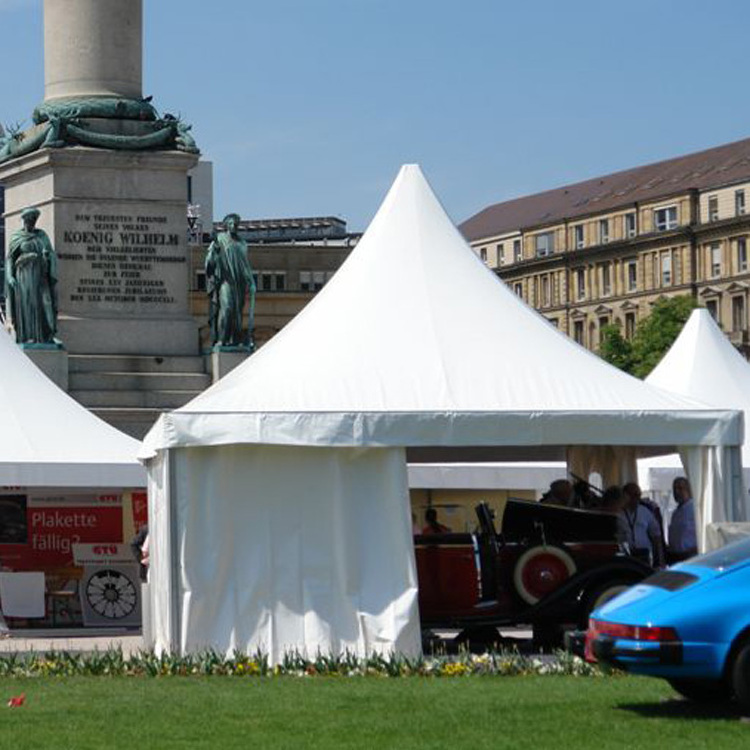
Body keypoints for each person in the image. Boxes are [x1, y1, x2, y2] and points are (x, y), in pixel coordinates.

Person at [5, 207, 58, 345]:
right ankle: (27, 336)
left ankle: (45, 335)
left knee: (42, 304)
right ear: (24, 221)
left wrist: (47, 256)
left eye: (33, 220)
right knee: (27, 305)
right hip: (24, 276)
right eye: (29, 220)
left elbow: (50, 253)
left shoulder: (42, 235)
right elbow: (10, 258)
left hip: (40, 275)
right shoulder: (17, 237)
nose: (31, 222)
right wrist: (10, 276)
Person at [205, 213, 256, 348]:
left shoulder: (242, 243)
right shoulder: (219, 239)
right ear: (226, 225)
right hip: (225, 280)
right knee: (227, 308)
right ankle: (222, 339)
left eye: (236, 224)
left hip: (239, 282)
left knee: (237, 314)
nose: (233, 226)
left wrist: (251, 281)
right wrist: (214, 250)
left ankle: (235, 340)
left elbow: (245, 265)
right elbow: (209, 262)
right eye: (231, 224)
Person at [622, 482, 665, 567]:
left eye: (638, 495)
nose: (637, 498)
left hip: (644, 555)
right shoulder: (619, 512)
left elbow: (656, 536)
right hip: (625, 555)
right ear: (625, 495)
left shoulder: (645, 511)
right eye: (633, 495)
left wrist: (660, 560)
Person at [668, 476, 698, 562]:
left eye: (680, 488)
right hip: (675, 557)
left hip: (691, 556)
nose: (677, 492)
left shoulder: (694, 509)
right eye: (675, 489)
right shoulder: (675, 513)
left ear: (688, 490)